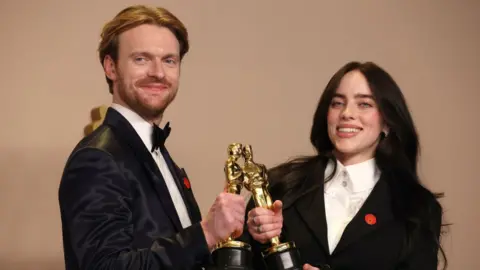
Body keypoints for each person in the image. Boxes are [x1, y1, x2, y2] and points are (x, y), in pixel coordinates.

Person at [58, 5, 246, 270]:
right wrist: (205, 233)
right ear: (110, 67)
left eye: (169, 60)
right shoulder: (97, 159)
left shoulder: (155, 151)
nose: (158, 72)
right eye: (141, 59)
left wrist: (249, 238)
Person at [240, 61, 448, 270]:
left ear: (387, 122)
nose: (347, 113)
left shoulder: (418, 207)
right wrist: (255, 238)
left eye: (364, 104)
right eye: (337, 103)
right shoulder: (278, 185)